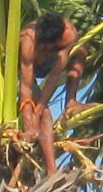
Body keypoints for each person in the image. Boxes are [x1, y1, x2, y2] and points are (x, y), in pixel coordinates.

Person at [18, 12, 93, 173]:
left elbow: (54, 76)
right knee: (45, 114)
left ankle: (71, 101)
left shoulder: (69, 35)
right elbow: (26, 86)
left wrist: (39, 108)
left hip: (50, 66)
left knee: (81, 50)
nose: (45, 49)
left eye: (49, 47)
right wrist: (29, 119)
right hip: (27, 69)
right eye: (42, 47)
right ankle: (49, 167)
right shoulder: (28, 41)